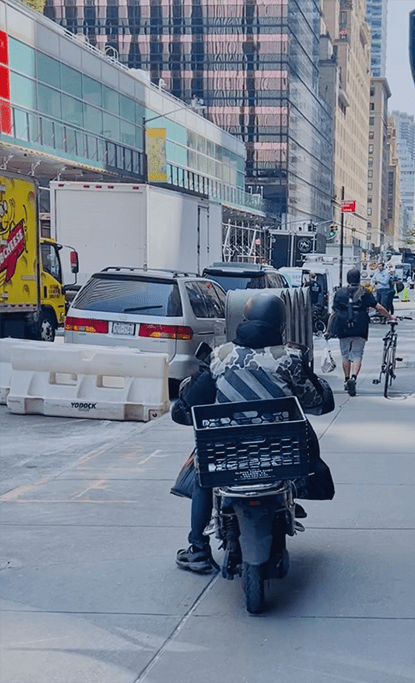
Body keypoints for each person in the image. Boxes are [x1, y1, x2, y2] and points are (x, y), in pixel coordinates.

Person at [172, 292, 335, 573]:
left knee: (204, 472)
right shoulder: (290, 359)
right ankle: (291, 498)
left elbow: (189, 406)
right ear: (280, 325)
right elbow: (319, 402)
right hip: (280, 454)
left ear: (244, 320)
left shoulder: (220, 357)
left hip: (227, 454)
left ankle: (198, 548)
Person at [326, 268, 396, 397]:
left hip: (343, 326)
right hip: (360, 326)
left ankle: (346, 380)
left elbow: (333, 313)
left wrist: (328, 330)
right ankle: (354, 378)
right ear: (359, 279)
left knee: (345, 355)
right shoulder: (365, 293)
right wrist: (390, 317)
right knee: (357, 354)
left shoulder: (340, 293)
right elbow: (378, 307)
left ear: (347, 279)